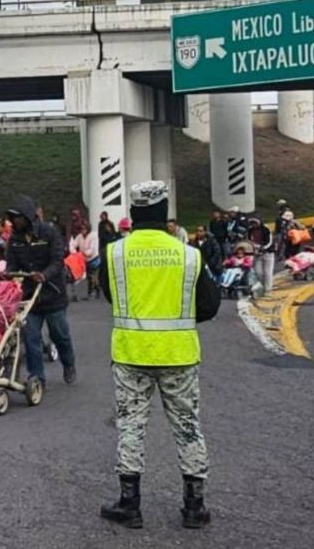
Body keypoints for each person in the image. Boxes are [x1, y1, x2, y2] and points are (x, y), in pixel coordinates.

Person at [97, 181, 221, 530]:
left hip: (131, 353)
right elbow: (210, 305)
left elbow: (109, 294)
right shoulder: (189, 254)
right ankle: (194, 506)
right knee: (188, 428)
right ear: (164, 212)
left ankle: (130, 504)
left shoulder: (115, 253)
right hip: (179, 355)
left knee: (131, 427)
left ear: (134, 213)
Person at [4, 195, 77, 387]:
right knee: (31, 337)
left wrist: (44, 275)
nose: (16, 221)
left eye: (18, 217)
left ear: (28, 216)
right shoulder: (14, 240)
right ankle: (37, 378)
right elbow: (11, 263)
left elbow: (58, 260)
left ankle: (68, 364)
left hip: (53, 294)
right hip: (30, 297)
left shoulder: (49, 233)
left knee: (59, 334)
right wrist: (8, 274)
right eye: (13, 218)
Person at [70, 221, 101, 299]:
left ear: (88, 229)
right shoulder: (79, 236)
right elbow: (73, 244)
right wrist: (74, 252)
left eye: (84, 229)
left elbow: (92, 250)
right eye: (81, 229)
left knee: (92, 276)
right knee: (88, 277)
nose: (82, 231)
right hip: (84, 259)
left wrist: (83, 253)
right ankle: (94, 291)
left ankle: (92, 293)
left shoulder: (94, 236)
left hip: (94, 259)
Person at [246, 218, 275, 296]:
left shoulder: (266, 229)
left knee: (267, 272)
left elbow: (270, 242)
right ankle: (263, 286)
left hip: (268, 253)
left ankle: (268, 290)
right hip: (256, 254)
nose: (254, 225)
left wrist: (263, 248)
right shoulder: (250, 231)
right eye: (252, 223)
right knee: (258, 272)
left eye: (255, 223)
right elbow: (249, 241)